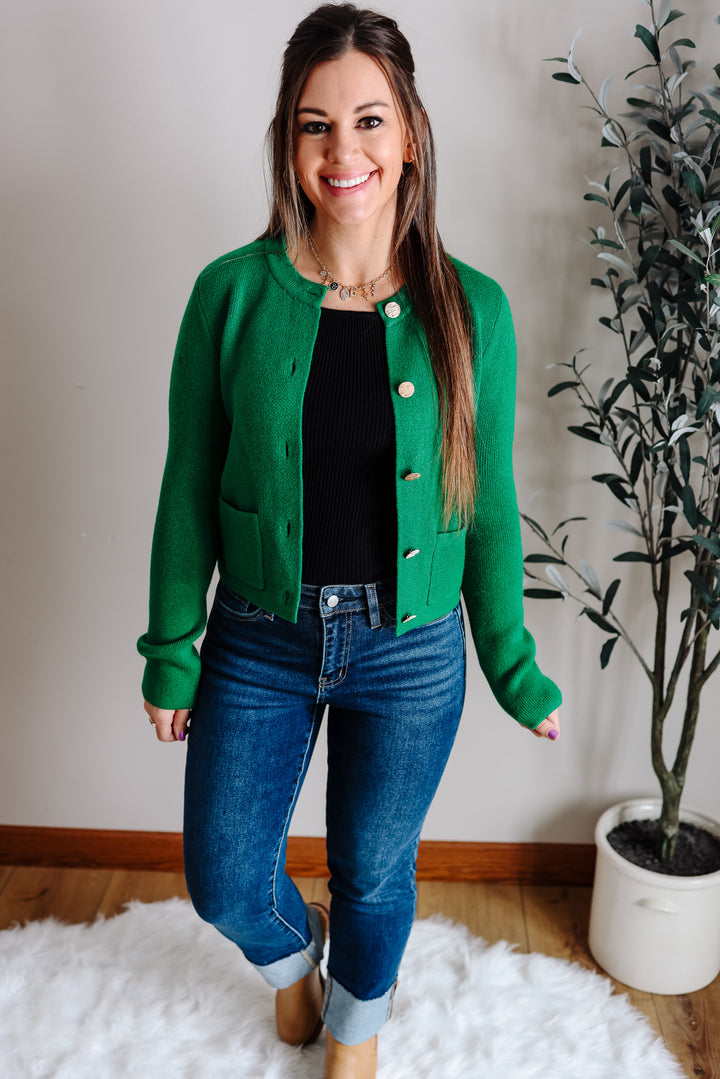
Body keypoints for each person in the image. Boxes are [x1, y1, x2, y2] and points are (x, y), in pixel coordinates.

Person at [138, 4, 561, 1076]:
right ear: (289, 142)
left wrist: (512, 661)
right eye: (314, 124)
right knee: (226, 877)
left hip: (411, 651)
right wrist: (172, 646)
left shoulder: (473, 308)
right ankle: (296, 962)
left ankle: (355, 1030)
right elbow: (188, 483)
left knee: (374, 870)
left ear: (410, 134)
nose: (344, 150)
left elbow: (488, 501)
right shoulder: (230, 295)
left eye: (369, 120)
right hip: (259, 636)